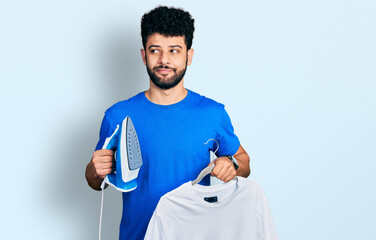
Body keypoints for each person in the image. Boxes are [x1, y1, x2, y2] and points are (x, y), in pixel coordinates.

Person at [85, 6, 250, 240]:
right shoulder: (117, 115)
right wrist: (95, 170)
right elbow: (95, 180)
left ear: (188, 56)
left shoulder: (212, 113)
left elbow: (245, 163)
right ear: (144, 56)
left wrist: (231, 164)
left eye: (174, 51)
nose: (164, 60)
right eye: (155, 50)